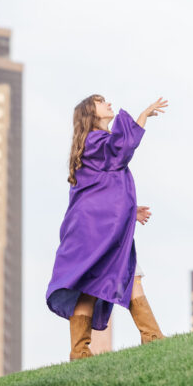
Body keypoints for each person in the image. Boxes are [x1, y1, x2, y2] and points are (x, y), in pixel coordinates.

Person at [46, 93, 169, 360]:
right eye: (101, 102)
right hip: (96, 233)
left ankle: (85, 349)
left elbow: (101, 192)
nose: (109, 104)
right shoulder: (95, 142)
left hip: (98, 230)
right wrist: (142, 116)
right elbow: (120, 149)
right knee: (117, 278)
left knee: (103, 282)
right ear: (91, 113)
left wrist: (129, 210)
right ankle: (149, 337)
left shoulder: (92, 145)